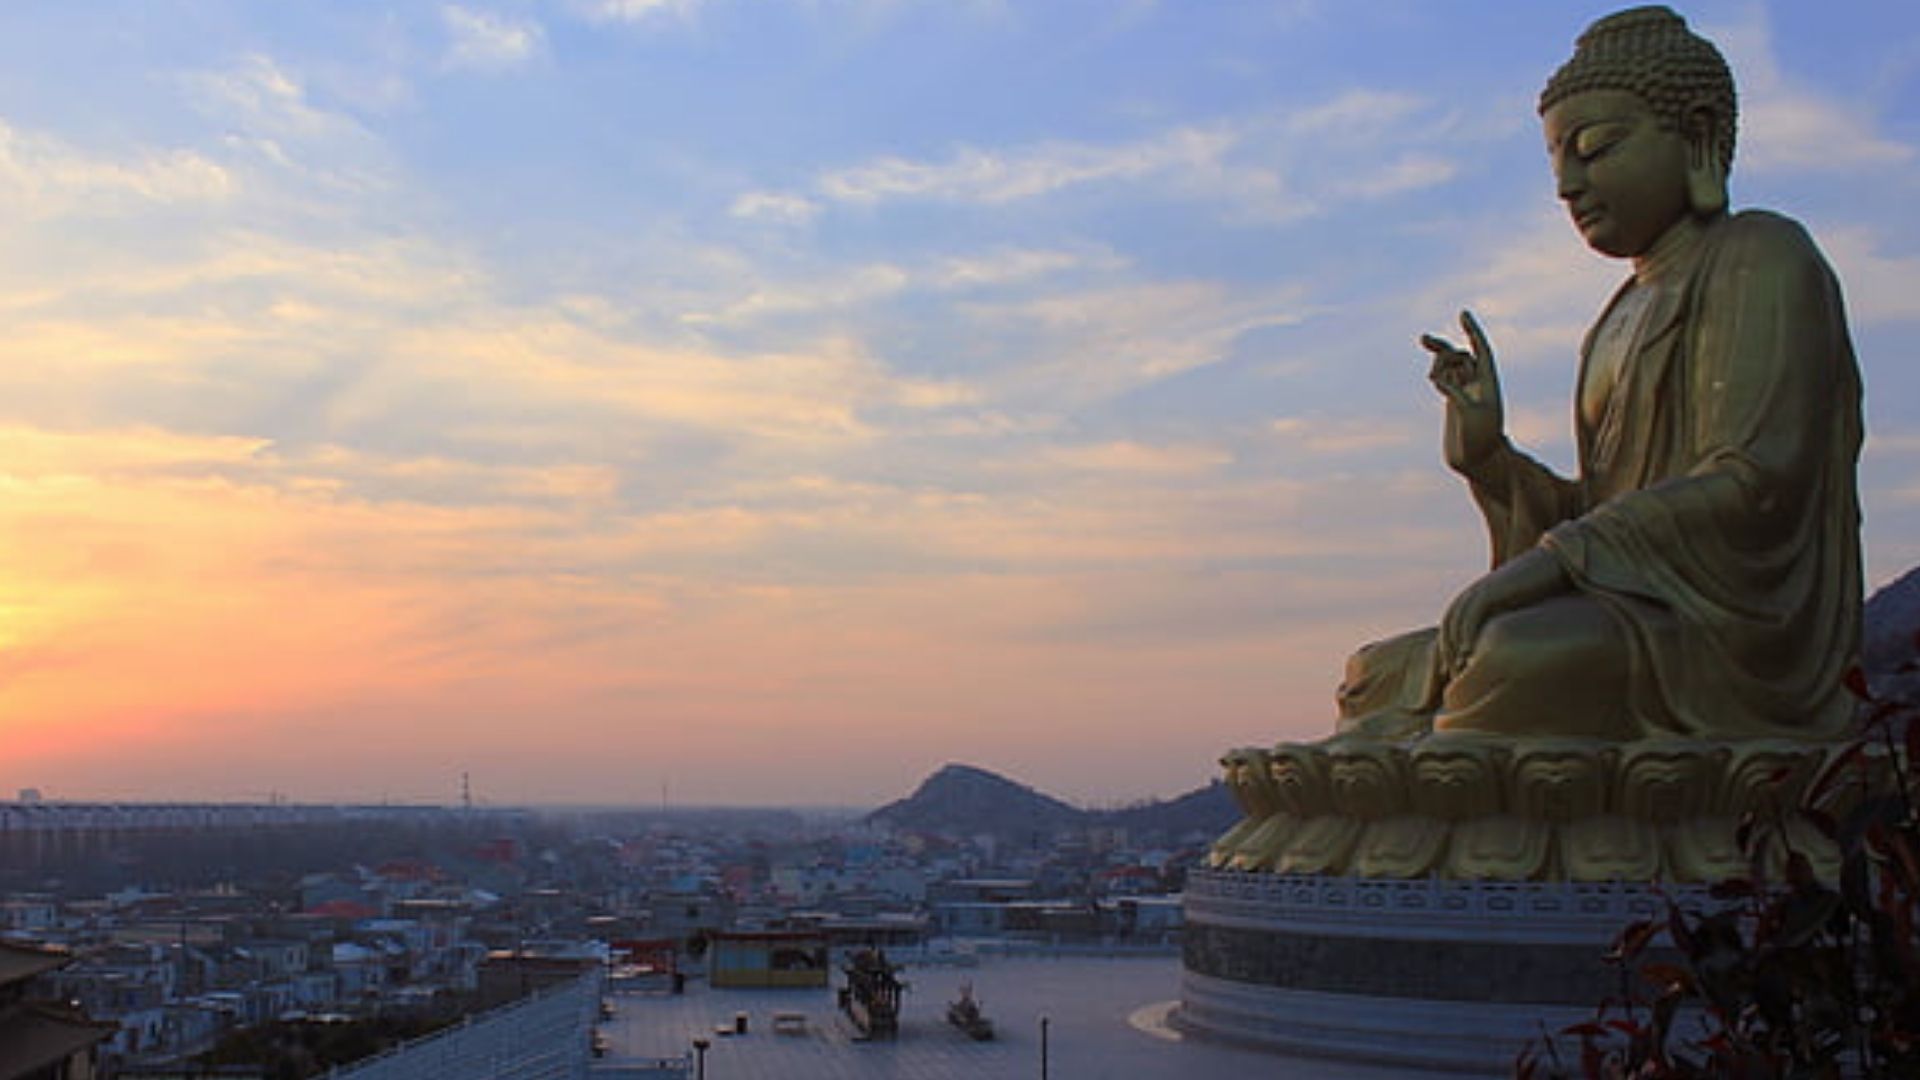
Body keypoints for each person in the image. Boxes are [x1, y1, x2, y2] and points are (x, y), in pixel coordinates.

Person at [1337, 5, 1862, 742]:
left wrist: (1550, 566)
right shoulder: (1617, 316)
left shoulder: (1762, 256)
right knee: (1372, 675)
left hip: (1716, 630)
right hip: (1625, 599)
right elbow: (1603, 507)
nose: (1568, 185)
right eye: (1558, 161)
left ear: (1698, 134)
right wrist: (1490, 459)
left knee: (1510, 660)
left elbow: (1755, 484)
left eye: (1596, 148)